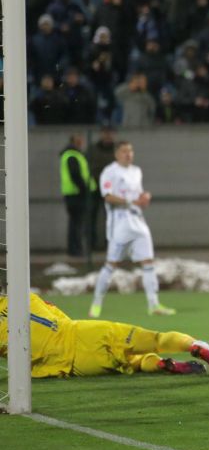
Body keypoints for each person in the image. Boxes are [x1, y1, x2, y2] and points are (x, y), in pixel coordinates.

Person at [0, 292, 209, 377]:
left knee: (134, 364)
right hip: (85, 333)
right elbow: (59, 315)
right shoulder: (26, 297)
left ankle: (160, 365)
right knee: (155, 340)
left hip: (75, 365)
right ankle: (194, 346)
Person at [90, 141, 175, 318]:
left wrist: (144, 198)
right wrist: (131, 201)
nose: (128, 154)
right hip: (120, 224)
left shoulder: (137, 171)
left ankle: (154, 305)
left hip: (137, 221)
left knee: (148, 262)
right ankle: (96, 305)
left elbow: (138, 196)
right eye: (124, 151)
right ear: (116, 154)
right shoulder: (109, 172)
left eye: (130, 151)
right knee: (111, 264)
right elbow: (107, 197)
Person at [60, 133, 93, 258]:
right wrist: (84, 189)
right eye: (79, 140)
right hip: (76, 194)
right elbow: (75, 175)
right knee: (76, 223)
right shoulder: (72, 155)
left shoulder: (73, 155)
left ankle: (75, 249)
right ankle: (75, 250)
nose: (82, 143)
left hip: (74, 194)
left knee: (75, 223)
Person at [86, 127, 118, 255]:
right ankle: (92, 245)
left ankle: (110, 244)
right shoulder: (93, 149)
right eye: (105, 134)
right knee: (92, 217)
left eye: (110, 134)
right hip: (95, 187)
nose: (108, 136)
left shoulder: (116, 150)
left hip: (111, 189)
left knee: (112, 217)